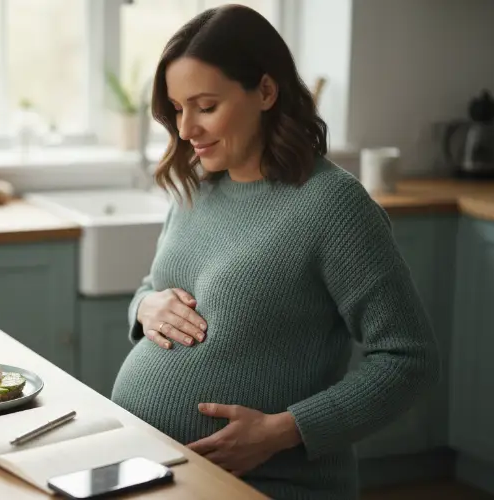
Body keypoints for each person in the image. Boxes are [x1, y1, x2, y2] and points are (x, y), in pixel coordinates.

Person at [109, 5, 439, 500]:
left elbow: (409, 359)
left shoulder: (333, 206)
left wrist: (281, 431)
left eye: (205, 106)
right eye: (177, 109)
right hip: (153, 471)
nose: (185, 130)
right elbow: (152, 286)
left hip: (268, 483)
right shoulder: (196, 189)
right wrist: (145, 306)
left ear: (265, 91)